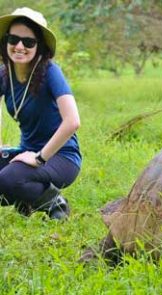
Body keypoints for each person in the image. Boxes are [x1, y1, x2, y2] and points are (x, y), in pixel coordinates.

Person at [0, 7, 81, 219]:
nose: (19, 46)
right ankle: (27, 199)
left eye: (28, 42)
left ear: (40, 46)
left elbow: (72, 121)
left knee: (6, 180)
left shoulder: (50, 72)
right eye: (13, 39)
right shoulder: (4, 73)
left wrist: (39, 158)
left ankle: (56, 204)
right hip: (26, 152)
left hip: (61, 156)